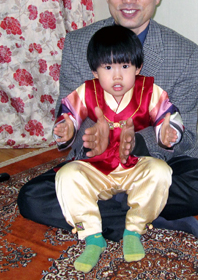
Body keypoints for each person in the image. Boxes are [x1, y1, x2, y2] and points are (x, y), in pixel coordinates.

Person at [18, 0, 198, 243]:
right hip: (97, 164)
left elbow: (186, 137)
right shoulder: (79, 43)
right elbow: (68, 113)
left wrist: (137, 143)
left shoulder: (185, 52)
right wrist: (80, 134)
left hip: (159, 163)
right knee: (31, 198)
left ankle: (107, 213)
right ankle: (151, 213)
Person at [54, 25, 184, 272]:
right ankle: (92, 236)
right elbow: (68, 114)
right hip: (97, 167)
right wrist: (67, 128)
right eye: (108, 68)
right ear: (95, 71)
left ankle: (134, 229)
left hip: (134, 165)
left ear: (138, 68)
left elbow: (167, 116)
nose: (117, 76)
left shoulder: (149, 91)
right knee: (65, 176)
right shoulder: (87, 91)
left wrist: (168, 133)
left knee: (160, 171)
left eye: (125, 66)